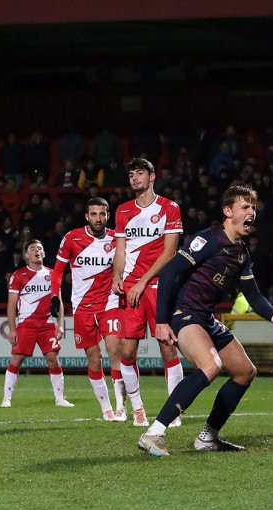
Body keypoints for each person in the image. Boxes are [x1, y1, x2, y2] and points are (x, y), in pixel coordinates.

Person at [137, 186, 273, 456]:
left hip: (205, 318)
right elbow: (169, 272)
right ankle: (153, 434)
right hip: (185, 314)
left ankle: (208, 438)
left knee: (245, 371)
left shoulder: (241, 252)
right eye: (245, 207)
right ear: (228, 211)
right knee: (210, 366)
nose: (251, 212)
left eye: (253, 208)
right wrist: (161, 321)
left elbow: (253, 294)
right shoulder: (208, 239)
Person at [112, 158, 185, 428]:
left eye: (140, 173)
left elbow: (170, 252)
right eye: (131, 174)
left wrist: (142, 282)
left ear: (152, 177)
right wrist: (117, 276)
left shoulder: (169, 208)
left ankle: (174, 410)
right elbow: (121, 251)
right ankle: (138, 408)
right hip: (130, 288)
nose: (134, 178)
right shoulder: (122, 211)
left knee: (167, 346)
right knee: (127, 351)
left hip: (158, 286)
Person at [51, 197, 128, 421]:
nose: (98, 218)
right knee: (94, 359)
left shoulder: (117, 238)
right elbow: (57, 271)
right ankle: (106, 409)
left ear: (108, 216)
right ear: (87, 216)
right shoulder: (72, 238)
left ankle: (121, 407)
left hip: (109, 302)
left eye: (102, 214)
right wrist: (55, 295)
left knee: (115, 350)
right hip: (82, 307)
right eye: (93, 214)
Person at [1, 239, 71, 408]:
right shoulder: (18, 275)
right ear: (27, 254)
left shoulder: (52, 274)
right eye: (32, 249)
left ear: (44, 253)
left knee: (53, 359)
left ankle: (60, 399)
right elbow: (11, 304)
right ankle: (6, 398)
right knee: (17, 359)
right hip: (26, 323)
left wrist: (60, 324)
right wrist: (12, 329)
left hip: (47, 324)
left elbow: (59, 302)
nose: (36, 251)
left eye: (39, 248)